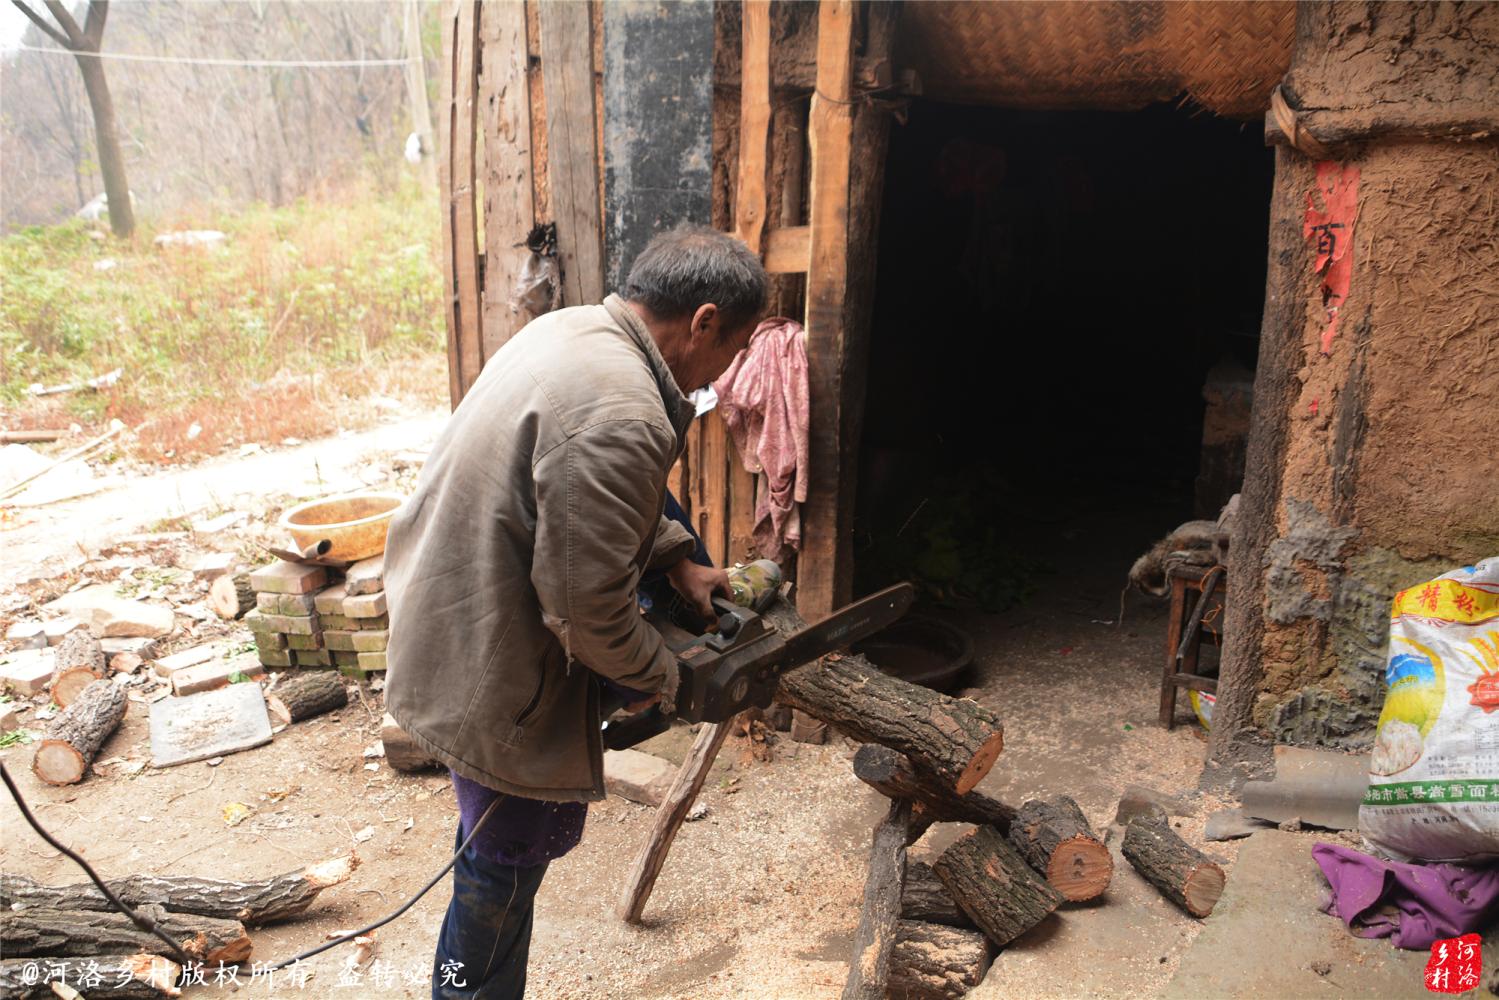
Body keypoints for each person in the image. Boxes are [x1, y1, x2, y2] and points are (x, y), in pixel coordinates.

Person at [382, 225, 770, 999]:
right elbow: (588, 616)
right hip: (490, 658)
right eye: (737, 345)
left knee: (495, 855)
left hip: (454, 605)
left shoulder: (575, 331)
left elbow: (589, 496)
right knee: (498, 871)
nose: (733, 366)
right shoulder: (622, 411)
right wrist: (672, 680)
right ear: (701, 321)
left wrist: (678, 558)